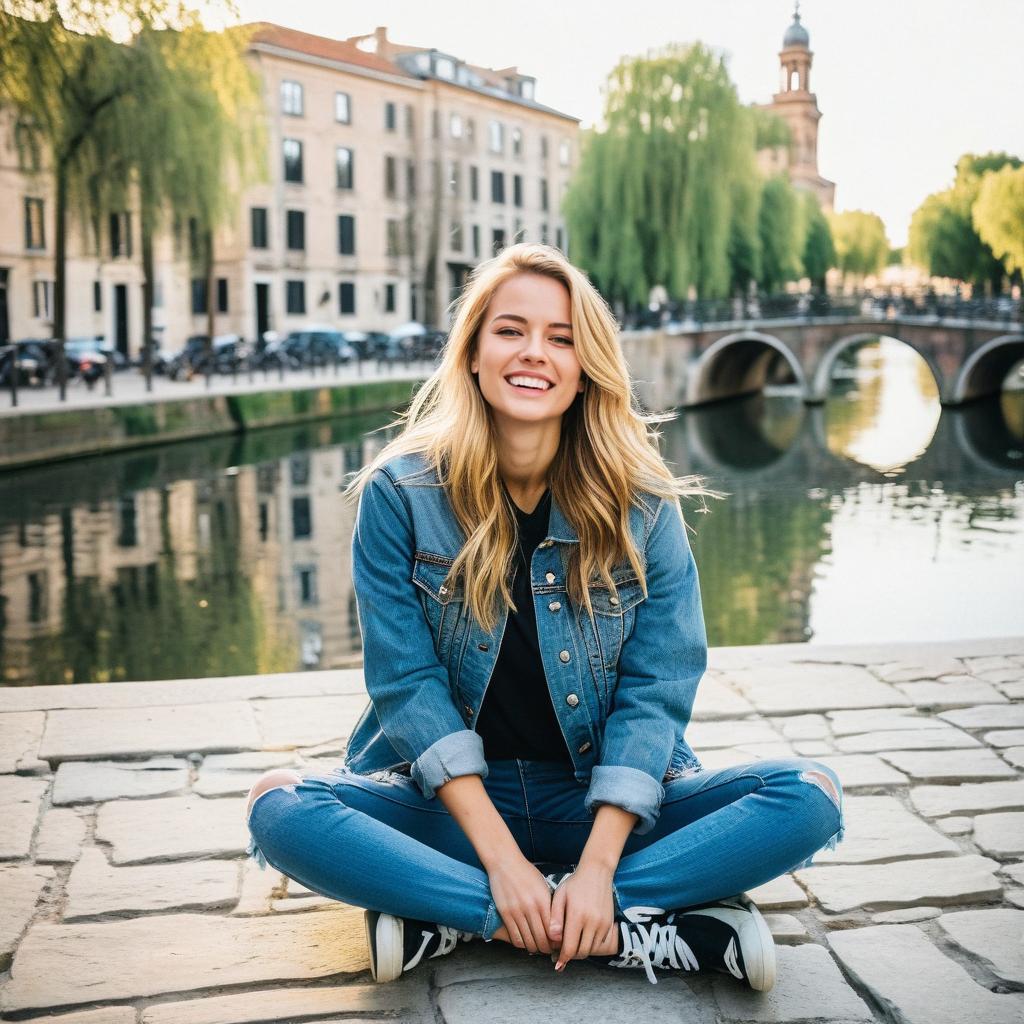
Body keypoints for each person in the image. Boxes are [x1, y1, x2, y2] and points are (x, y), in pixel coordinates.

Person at [244, 243, 844, 991]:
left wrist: (597, 868)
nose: (535, 353)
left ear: (587, 363)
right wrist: (501, 863)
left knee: (808, 795)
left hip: (600, 801)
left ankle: (477, 915)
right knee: (279, 806)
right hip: (453, 808)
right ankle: (617, 924)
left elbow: (658, 686)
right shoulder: (400, 495)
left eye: (561, 337)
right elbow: (407, 687)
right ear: (471, 352)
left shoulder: (642, 503)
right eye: (511, 330)